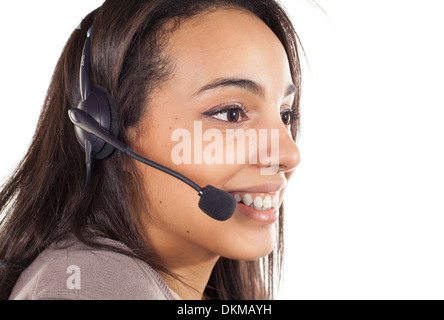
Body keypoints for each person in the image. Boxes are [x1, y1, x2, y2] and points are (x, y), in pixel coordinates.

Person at [0, 0, 302, 300]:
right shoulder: (87, 287)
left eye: (285, 114)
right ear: (105, 133)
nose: (289, 156)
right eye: (231, 114)